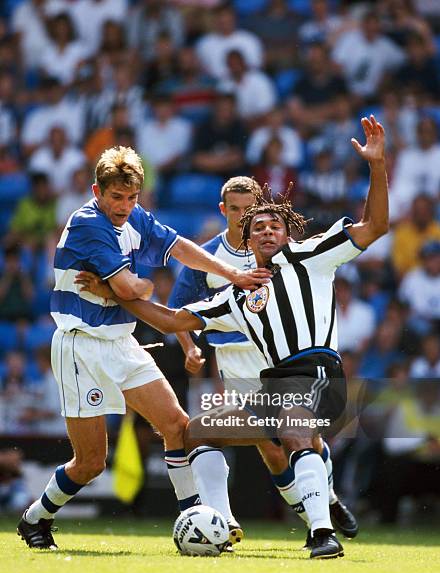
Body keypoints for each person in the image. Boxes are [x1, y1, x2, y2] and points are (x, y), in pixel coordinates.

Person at [77, 116, 389, 558]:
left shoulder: (313, 256)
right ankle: (221, 526)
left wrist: (378, 167)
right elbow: (169, 321)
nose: (264, 230)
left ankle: (323, 533)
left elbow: (375, 226)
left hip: (318, 375)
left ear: (287, 231)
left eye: (272, 225)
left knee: (295, 428)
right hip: (269, 387)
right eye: (256, 226)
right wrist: (112, 289)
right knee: (199, 430)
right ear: (244, 234)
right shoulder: (238, 294)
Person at [17, 145, 270, 550]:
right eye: (116, 197)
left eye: (131, 197)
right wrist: (140, 286)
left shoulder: (135, 217)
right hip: (81, 347)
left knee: (177, 425)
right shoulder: (87, 224)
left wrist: (233, 274)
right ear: (98, 191)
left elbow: (181, 248)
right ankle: (35, 518)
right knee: (91, 463)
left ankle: (194, 521)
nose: (124, 205)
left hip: (121, 340)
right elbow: (131, 289)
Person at [169, 175, 358, 548]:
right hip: (234, 361)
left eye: (248, 208)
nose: (243, 217)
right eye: (235, 210)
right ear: (223, 211)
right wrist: (189, 346)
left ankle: (322, 510)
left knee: (297, 439)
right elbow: (180, 310)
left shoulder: (278, 249)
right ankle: (230, 521)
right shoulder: (206, 256)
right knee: (270, 449)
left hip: (274, 356)